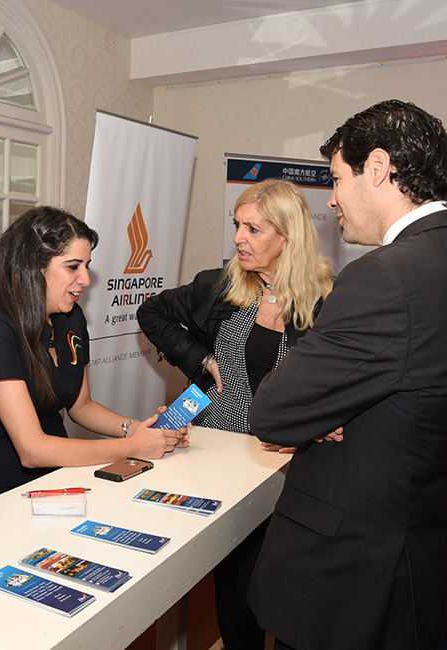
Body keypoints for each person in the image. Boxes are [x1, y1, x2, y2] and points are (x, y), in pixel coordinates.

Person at [247, 100, 447, 650]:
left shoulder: (385, 278)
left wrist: (327, 413)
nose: (332, 199)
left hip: (351, 577)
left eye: (336, 179)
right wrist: (340, 411)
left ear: (376, 168)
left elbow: (274, 411)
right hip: (425, 557)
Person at [137, 178, 335, 650]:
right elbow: (152, 313)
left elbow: (342, 382)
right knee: (234, 579)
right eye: (237, 225)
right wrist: (203, 360)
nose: (238, 238)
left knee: (283, 580)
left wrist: (317, 426)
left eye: (253, 229)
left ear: (287, 236)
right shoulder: (220, 285)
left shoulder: (328, 300)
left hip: (286, 461)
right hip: (219, 452)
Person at [0, 206, 188, 520]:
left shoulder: (71, 318)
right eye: (73, 266)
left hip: (55, 477)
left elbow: (82, 407)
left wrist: (138, 429)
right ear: (33, 267)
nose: (86, 279)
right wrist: (132, 447)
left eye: (87, 266)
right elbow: (32, 450)